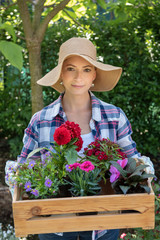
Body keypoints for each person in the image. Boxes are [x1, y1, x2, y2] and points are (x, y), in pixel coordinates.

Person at [5, 37, 154, 240]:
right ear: (60, 74)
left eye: (86, 69)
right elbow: (25, 167)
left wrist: (142, 173)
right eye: (70, 68)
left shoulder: (114, 116)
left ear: (94, 74)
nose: (78, 77)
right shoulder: (41, 120)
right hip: (54, 223)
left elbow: (131, 162)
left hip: (103, 221)